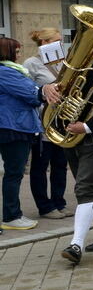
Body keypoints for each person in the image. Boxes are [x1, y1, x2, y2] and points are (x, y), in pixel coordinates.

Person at [41, 31, 93, 264]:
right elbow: (60, 95)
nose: (73, 51)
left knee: (85, 189)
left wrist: (87, 126)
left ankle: (75, 244)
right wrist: (49, 90)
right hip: (70, 135)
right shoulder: (72, 70)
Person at [1, 38, 49, 231]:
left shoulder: (12, 70)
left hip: (15, 126)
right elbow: (33, 95)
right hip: (13, 128)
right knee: (14, 173)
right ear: (7, 52)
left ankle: (12, 214)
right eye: (17, 52)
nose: (20, 55)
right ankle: (12, 216)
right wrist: (45, 91)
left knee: (14, 173)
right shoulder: (6, 72)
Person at [23, 28, 69, 220]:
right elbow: (28, 93)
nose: (60, 44)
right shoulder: (31, 64)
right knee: (41, 166)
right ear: (44, 43)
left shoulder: (62, 63)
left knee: (60, 164)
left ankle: (59, 202)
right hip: (43, 123)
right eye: (56, 41)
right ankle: (45, 206)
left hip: (63, 121)